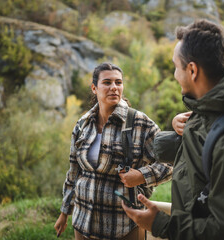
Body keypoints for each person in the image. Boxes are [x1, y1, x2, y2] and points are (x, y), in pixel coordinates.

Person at [122, 19, 224, 240]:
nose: (174, 75)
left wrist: (162, 225)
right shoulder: (209, 111)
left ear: (192, 70)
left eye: (176, 66)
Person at [54, 62, 173, 240]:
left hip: (124, 226)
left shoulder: (139, 123)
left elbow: (171, 162)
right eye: (107, 82)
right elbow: (74, 173)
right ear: (94, 88)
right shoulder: (83, 124)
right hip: (82, 223)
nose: (114, 88)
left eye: (118, 82)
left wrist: (141, 176)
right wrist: (64, 212)